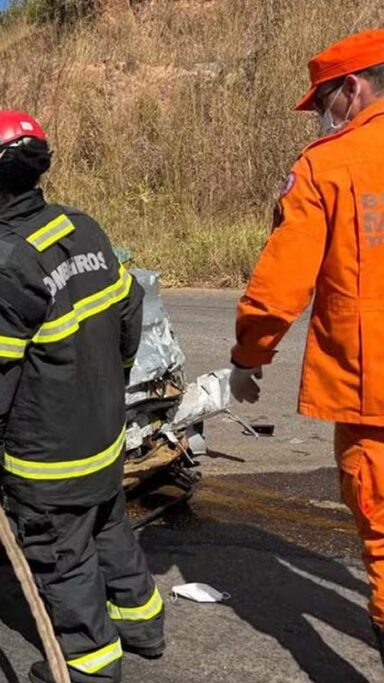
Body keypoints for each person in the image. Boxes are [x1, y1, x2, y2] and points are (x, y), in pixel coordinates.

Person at [0, 111, 163, 683]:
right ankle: (145, 628)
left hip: (49, 453)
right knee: (109, 524)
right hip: (103, 430)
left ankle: (92, 666)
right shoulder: (83, 228)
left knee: (61, 552)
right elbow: (128, 309)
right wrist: (111, 377)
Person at [229, 29, 384, 665]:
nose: (323, 115)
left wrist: (248, 356)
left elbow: (278, 288)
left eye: (324, 100)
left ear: (352, 88)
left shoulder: (328, 166)